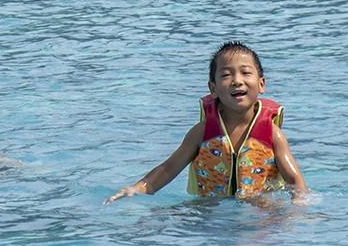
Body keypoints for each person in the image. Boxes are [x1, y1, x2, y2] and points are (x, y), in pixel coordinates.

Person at [107, 42, 309, 202]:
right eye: (226, 75)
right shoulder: (201, 133)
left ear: (261, 84)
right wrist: (138, 188)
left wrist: (300, 205)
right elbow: (169, 168)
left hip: (260, 209)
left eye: (245, 73)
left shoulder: (272, 134)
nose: (237, 80)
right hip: (210, 210)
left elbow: (294, 180)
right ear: (213, 88)